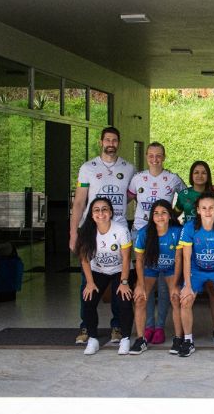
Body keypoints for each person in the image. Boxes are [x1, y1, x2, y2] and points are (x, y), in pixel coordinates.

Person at [69, 126, 135, 345]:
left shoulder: (128, 168)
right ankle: (86, 327)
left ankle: (117, 326)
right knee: (88, 281)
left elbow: (133, 195)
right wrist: (73, 232)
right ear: (100, 142)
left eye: (115, 140)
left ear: (119, 142)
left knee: (119, 279)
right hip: (92, 229)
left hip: (118, 230)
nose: (111, 143)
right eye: (107, 139)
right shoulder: (88, 168)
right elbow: (79, 202)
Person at [127, 142, 186, 345]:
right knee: (145, 284)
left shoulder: (173, 178)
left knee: (165, 287)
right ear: (146, 156)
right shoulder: (137, 178)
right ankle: (148, 327)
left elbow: (187, 198)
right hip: (143, 232)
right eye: (151, 155)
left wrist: (174, 215)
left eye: (159, 155)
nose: (155, 159)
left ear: (164, 156)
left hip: (167, 231)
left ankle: (160, 326)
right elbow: (124, 199)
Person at [173, 161, 214, 345]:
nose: (200, 175)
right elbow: (175, 214)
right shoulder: (184, 195)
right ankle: (186, 335)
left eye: (203, 172)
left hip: (211, 245)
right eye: (196, 172)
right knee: (187, 290)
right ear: (191, 175)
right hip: (190, 243)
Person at [177, 192, 214, 357]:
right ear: (198, 210)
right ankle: (188, 341)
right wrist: (188, 286)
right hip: (196, 270)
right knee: (186, 300)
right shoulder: (189, 227)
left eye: (211, 207)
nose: (208, 211)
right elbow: (186, 258)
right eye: (204, 208)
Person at [76, 197, 134, 355]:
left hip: (119, 271)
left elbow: (127, 258)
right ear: (91, 214)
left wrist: (124, 282)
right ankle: (93, 339)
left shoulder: (121, 230)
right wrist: (89, 282)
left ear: (111, 212)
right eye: (96, 210)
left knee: (124, 300)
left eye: (104, 209)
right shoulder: (86, 230)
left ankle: (125, 339)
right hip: (97, 271)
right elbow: (84, 259)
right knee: (88, 299)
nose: (101, 213)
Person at [129, 199, 184, 355]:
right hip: (150, 268)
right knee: (140, 298)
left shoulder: (176, 232)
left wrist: (175, 284)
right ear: (152, 216)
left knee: (175, 297)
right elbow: (139, 260)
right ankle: (140, 339)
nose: (160, 217)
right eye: (156, 213)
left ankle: (178, 338)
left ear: (170, 215)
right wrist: (139, 284)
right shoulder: (144, 233)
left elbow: (179, 258)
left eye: (164, 213)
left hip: (171, 268)